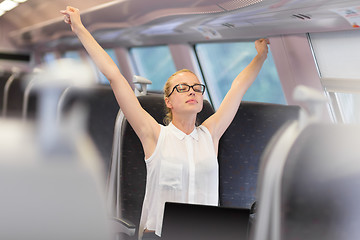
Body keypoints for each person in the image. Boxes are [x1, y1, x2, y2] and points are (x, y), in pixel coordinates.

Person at [61, 6, 269, 240]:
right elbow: (114, 76)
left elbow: (237, 87)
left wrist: (260, 57)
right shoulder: (154, 134)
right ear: (168, 101)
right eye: (182, 88)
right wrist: (79, 28)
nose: (192, 92)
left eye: (196, 88)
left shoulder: (211, 135)